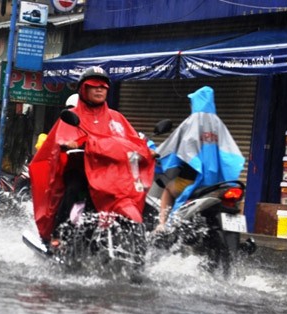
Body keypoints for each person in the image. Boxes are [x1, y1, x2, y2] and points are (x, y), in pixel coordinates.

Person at [28, 66, 153, 245]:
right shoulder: (72, 115)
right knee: (73, 188)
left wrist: (148, 150)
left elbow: (132, 139)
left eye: (103, 86)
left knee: (136, 197)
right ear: (83, 89)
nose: (100, 89)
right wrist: (68, 143)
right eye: (95, 86)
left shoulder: (116, 118)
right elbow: (63, 136)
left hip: (110, 175)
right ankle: (58, 235)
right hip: (82, 172)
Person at [154, 86, 245, 231]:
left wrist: (157, 153)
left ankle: (162, 224)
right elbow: (229, 151)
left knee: (168, 190)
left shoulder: (192, 121)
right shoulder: (218, 124)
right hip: (216, 182)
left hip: (191, 179)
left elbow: (175, 145)